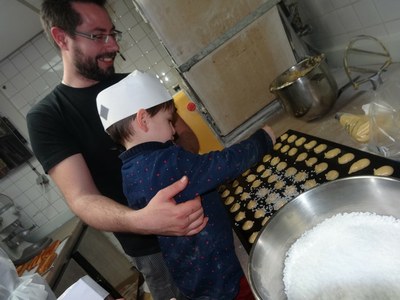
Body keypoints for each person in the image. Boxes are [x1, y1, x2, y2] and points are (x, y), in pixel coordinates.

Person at [26, 0, 207, 299]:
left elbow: (189, 140)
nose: (112, 46)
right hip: (153, 249)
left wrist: (174, 146)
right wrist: (142, 220)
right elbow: (82, 198)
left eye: (113, 33)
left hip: (200, 213)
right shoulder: (49, 116)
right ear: (62, 37)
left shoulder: (135, 85)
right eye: (98, 36)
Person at [96, 70, 276, 299]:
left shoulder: (129, 170)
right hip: (221, 278)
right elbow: (222, 165)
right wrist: (262, 140)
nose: (173, 130)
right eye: (168, 120)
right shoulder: (166, 162)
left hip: (192, 277)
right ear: (143, 120)